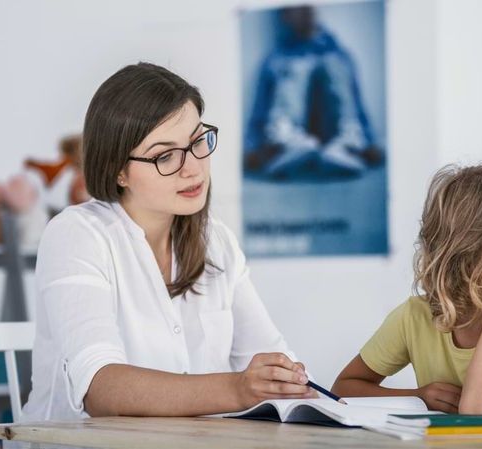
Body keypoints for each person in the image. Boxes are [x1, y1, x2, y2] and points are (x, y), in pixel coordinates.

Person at [23, 62, 314, 421]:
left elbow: (269, 355)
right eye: (165, 155)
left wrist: (285, 380)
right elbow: (100, 387)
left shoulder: (215, 240)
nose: (192, 168)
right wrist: (238, 388)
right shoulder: (77, 235)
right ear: (119, 170)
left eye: (196, 143)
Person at [331, 163, 482, 414]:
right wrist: (417, 397)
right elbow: (344, 387)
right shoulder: (415, 317)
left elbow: (479, 410)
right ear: (468, 263)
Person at [243, 6, 383, 180]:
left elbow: (356, 103)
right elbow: (261, 106)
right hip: (296, 137)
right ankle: (285, 144)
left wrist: (371, 142)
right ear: (285, 16)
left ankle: (347, 145)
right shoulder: (277, 58)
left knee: (333, 64)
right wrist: (251, 147)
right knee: (295, 66)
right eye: (297, 7)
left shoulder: (339, 55)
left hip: (331, 134)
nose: (307, 9)